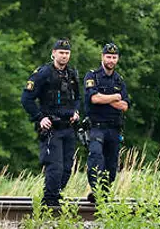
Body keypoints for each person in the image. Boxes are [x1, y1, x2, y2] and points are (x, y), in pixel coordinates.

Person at [21, 39, 81, 211]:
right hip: (51, 128)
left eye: (67, 53)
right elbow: (26, 99)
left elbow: (77, 98)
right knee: (55, 167)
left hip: (68, 127)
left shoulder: (72, 74)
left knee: (67, 168)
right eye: (61, 53)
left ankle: (55, 197)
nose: (64, 56)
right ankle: (49, 203)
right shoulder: (43, 73)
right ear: (53, 53)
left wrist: (76, 112)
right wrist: (40, 117)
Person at [83, 42, 129, 203]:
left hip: (114, 128)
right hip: (96, 127)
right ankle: (96, 192)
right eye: (108, 56)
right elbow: (94, 98)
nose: (111, 60)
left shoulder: (119, 80)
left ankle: (102, 194)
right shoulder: (92, 76)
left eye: (114, 57)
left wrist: (105, 99)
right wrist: (115, 97)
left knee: (111, 166)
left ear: (117, 59)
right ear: (102, 57)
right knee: (96, 158)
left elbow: (124, 106)